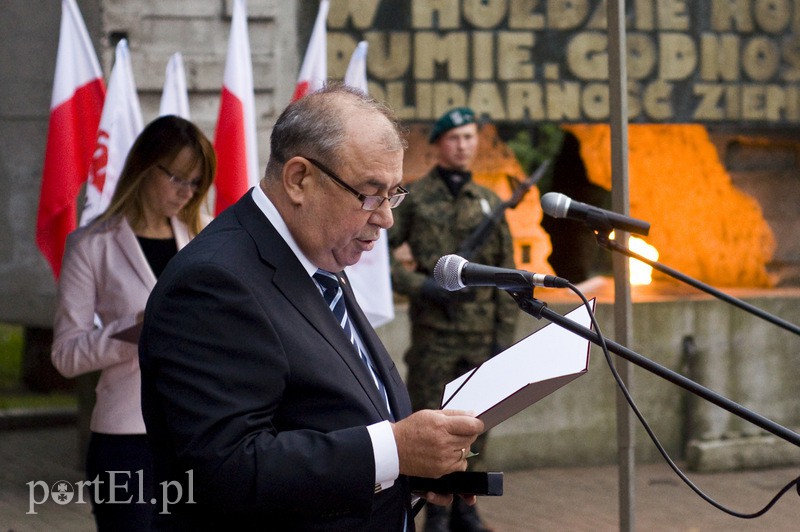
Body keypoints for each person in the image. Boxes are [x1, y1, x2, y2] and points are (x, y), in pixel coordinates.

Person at [138, 84, 484, 530]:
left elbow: (329, 416)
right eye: (370, 193)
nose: (386, 218)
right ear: (299, 179)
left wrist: (405, 469)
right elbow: (227, 469)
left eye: (394, 193)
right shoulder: (213, 282)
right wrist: (394, 451)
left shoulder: (316, 253)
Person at [51, 115, 216, 531]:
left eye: (196, 182)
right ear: (144, 166)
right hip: (125, 441)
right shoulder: (91, 245)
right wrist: (135, 329)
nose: (187, 192)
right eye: (177, 178)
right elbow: (65, 355)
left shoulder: (204, 238)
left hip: (197, 434)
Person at [388, 107, 519, 532]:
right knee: (433, 421)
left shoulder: (489, 202)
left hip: (481, 336)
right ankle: (436, 511)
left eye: (469, 137)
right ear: (439, 145)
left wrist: (503, 340)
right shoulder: (415, 198)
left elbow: (508, 275)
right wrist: (420, 286)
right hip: (435, 337)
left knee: (478, 424)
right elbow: (376, 255)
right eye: (454, 138)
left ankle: (466, 507)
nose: (463, 145)